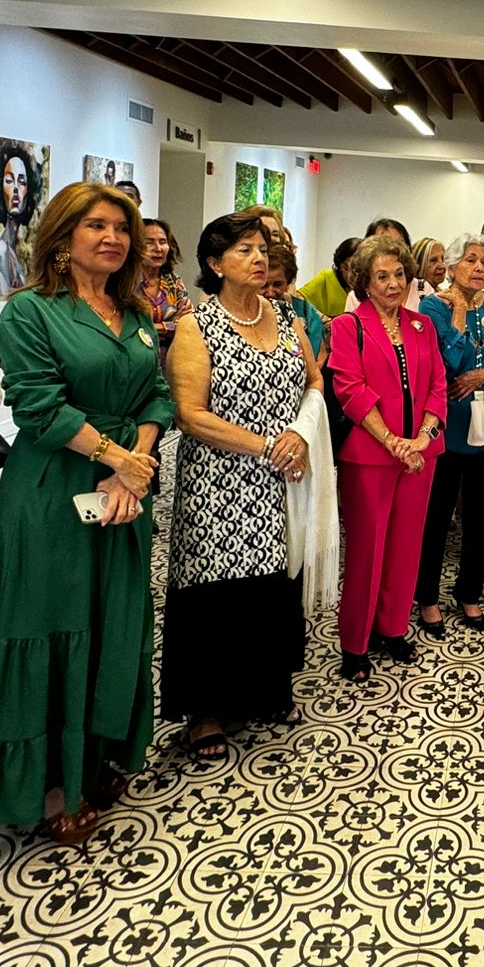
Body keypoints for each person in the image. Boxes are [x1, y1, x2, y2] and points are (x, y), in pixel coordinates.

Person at [0, 183, 173, 845]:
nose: (113, 238)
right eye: (95, 225)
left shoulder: (132, 311)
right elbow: (39, 408)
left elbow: (157, 395)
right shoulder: (30, 312)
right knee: (50, 624)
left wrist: (136, 460)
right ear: (63, 236)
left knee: (111, 623)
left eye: (121, 227)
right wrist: (113, 456)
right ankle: (44, 785)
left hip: (126, 487)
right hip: (52, 490)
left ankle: (92, 756)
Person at [163, 214, 320, 755]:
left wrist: (299, 435)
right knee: (215, 589)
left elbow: (313, 380)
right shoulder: (195, 326)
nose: (259, 258)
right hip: (218, 481)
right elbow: (188, 414)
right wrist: (266, 446)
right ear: (214, 264)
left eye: (262, 249)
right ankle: (206, 709)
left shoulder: (283, 314)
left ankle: (266, 687)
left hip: (282, 477)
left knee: (273, 585)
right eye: (244, 250)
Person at [327, 235, 447, 681]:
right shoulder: (347, 326)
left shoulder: (422, 326)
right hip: (370, 455)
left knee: (406, 546)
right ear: (363, 281)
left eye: (399, 274)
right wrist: (393, 440)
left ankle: (393, 629)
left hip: (421, 454)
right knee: (366, 550)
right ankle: (355, 643)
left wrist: (422, 437)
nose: (394, 283)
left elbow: (437, 381)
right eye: (382, 276)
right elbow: (350, 390)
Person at [417, 235, 484, 634]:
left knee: (482, 515)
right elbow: (446, 361)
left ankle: (468, 591)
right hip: (446, 425)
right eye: (470, 260)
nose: (479, 267)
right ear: (454, 266)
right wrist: (458, 314)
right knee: (438, 517)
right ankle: (427, 595)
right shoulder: (433, 305)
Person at [0, 139, 43, 299]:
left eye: (21, 181)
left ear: (29, 189)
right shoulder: (0, 251)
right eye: (9, 181)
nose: (15, 189)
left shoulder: (28, 247)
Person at [264, 236, 329, 367]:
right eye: (264, 285)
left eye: (278, 284)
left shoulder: (305, 311)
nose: (270, 292)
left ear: (289, 281)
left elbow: (320, 356)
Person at [138, 217, 193, 364]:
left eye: (163, 242)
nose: (158, 248)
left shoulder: (174, 281)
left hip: (172, 361)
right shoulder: (125, 284)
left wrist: (153, 327)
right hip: (137, 362)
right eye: (149, 242)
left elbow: (188, 322)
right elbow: (128, 329)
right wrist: (170, 326)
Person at [301, 237, 359, 319]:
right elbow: (297, 299)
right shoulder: (327, 277)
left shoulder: (370, 285)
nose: (351, 275)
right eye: (345, 268)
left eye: (356, 269)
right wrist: (323, 318)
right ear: (339, 265)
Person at [410, 237, 448, 310]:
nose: (442, 266)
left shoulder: (445, 297)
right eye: (433, 260)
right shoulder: (410, 297)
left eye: (443, 259)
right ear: (418, 264)